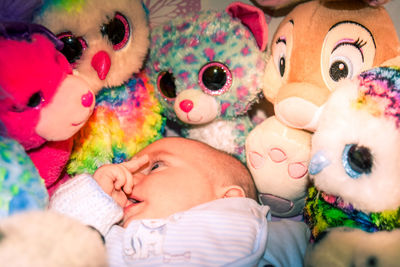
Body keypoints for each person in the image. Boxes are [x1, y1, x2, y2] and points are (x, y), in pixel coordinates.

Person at [50, 137, 309, 267]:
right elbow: (50, 244)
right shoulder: (111, 237)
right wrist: (95, 199)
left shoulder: (276, 237)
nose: (127, 178)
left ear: (229, 198)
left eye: (155, 166)